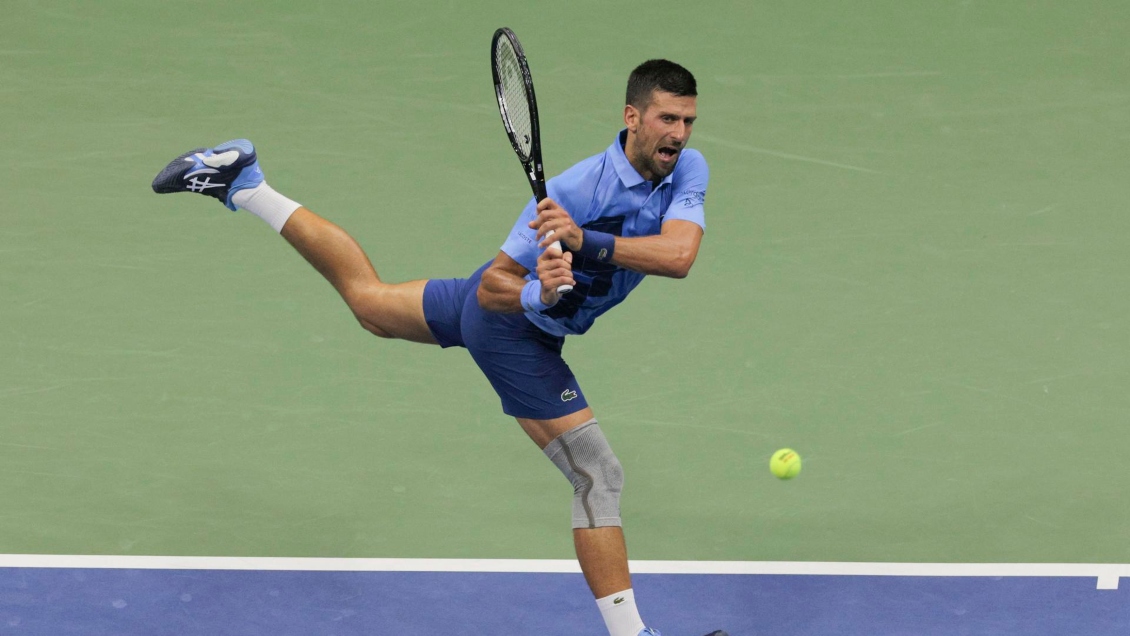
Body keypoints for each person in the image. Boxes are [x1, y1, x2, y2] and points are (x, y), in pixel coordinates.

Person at [153, 59, 725, 636]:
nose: (679, 134)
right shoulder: (575, 190)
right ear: (632, 117)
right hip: (511, 330)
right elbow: (496, 287)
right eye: (667, 119)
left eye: (688, 121)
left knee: (370, 304)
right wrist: (538, 293)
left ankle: (246, 184)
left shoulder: (685, 170)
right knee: (598, 475)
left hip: (499, 308)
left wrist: (582, 243)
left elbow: (678, 256)